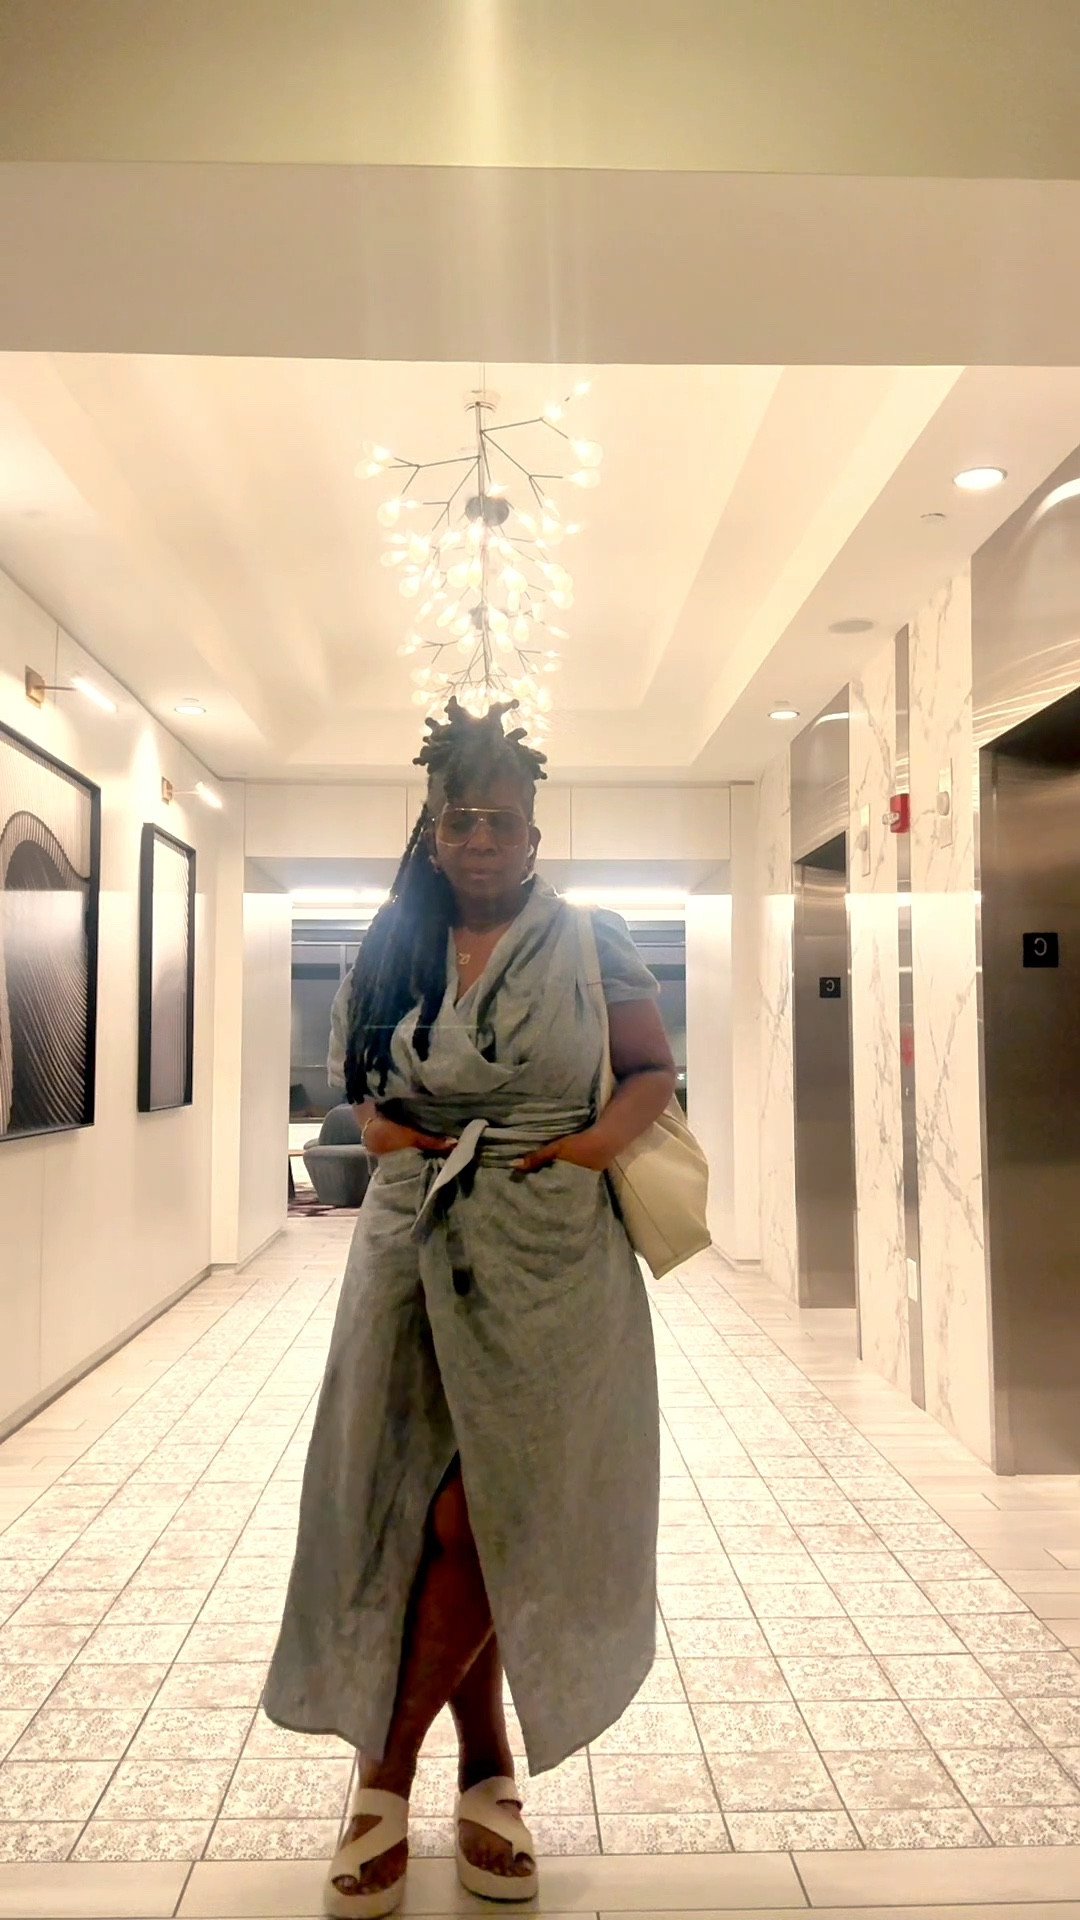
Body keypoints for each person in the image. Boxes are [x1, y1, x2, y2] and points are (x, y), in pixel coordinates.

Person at [265, 699, 675, 1920]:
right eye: (461, 819)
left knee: (495, 1510)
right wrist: (382, 1129)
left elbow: (651, 1070)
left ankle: (384, 1774)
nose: (482, 838)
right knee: (406, 1502)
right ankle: (488, 1767)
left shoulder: (595, 941)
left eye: (503, 820)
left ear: (535, 834)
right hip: (409, 1245)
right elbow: (358, 1083)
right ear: (433, 831)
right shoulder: (389, 949)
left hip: (552, 1253)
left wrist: (590, 1149)